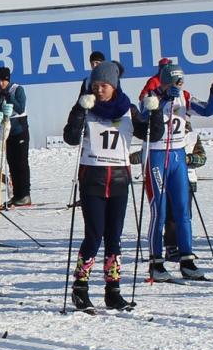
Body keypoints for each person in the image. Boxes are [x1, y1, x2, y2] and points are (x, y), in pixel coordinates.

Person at [63, 60, 155, 312]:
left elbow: (151, 134)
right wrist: (81, 110)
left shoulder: (128, 109)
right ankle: (80, 288)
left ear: (114, 86)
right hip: (93, 178)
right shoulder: (86, 105)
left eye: (103, 85)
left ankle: (112, 290)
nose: (99, 90)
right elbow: (70, 137)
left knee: (114, 236)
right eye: (95, 85)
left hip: (118, 179)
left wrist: (155, 113)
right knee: (94, 234)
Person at [140, 58, 213, 281]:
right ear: (164, 81)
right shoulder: (152, 96)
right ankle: (156, 262)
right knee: (160, 210)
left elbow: (207, 110)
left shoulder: (184, 97)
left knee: (183, 210)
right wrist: (164, 97)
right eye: (174, 82)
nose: (179, 85)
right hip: (157, 155)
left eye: (181, 81)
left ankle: (187, 259)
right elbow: (143, 117)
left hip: (177, 155)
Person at [0, 65, 32, 207]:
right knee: (11, 162)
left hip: (19, 129)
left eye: (3, 81)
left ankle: (25, 194)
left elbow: (20, 107)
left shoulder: (17, 89)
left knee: (21, 163)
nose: (1, 84)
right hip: (6, 131)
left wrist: (10, 98)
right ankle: (16, 194)